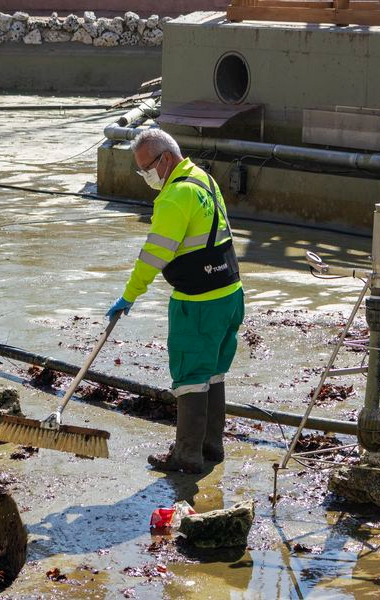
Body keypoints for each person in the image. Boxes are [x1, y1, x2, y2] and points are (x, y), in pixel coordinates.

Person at [106, 128, 244, 474]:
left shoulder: (174, 197)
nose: (145, 176)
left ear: (165, 158)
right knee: (213, 372)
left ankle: (187, 455)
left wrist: (128, 295)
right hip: (229, 294)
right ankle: (211, 446)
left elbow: (153, 255)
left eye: (146, 168)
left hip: (197, 302)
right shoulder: (204, 181)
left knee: (189, 374)